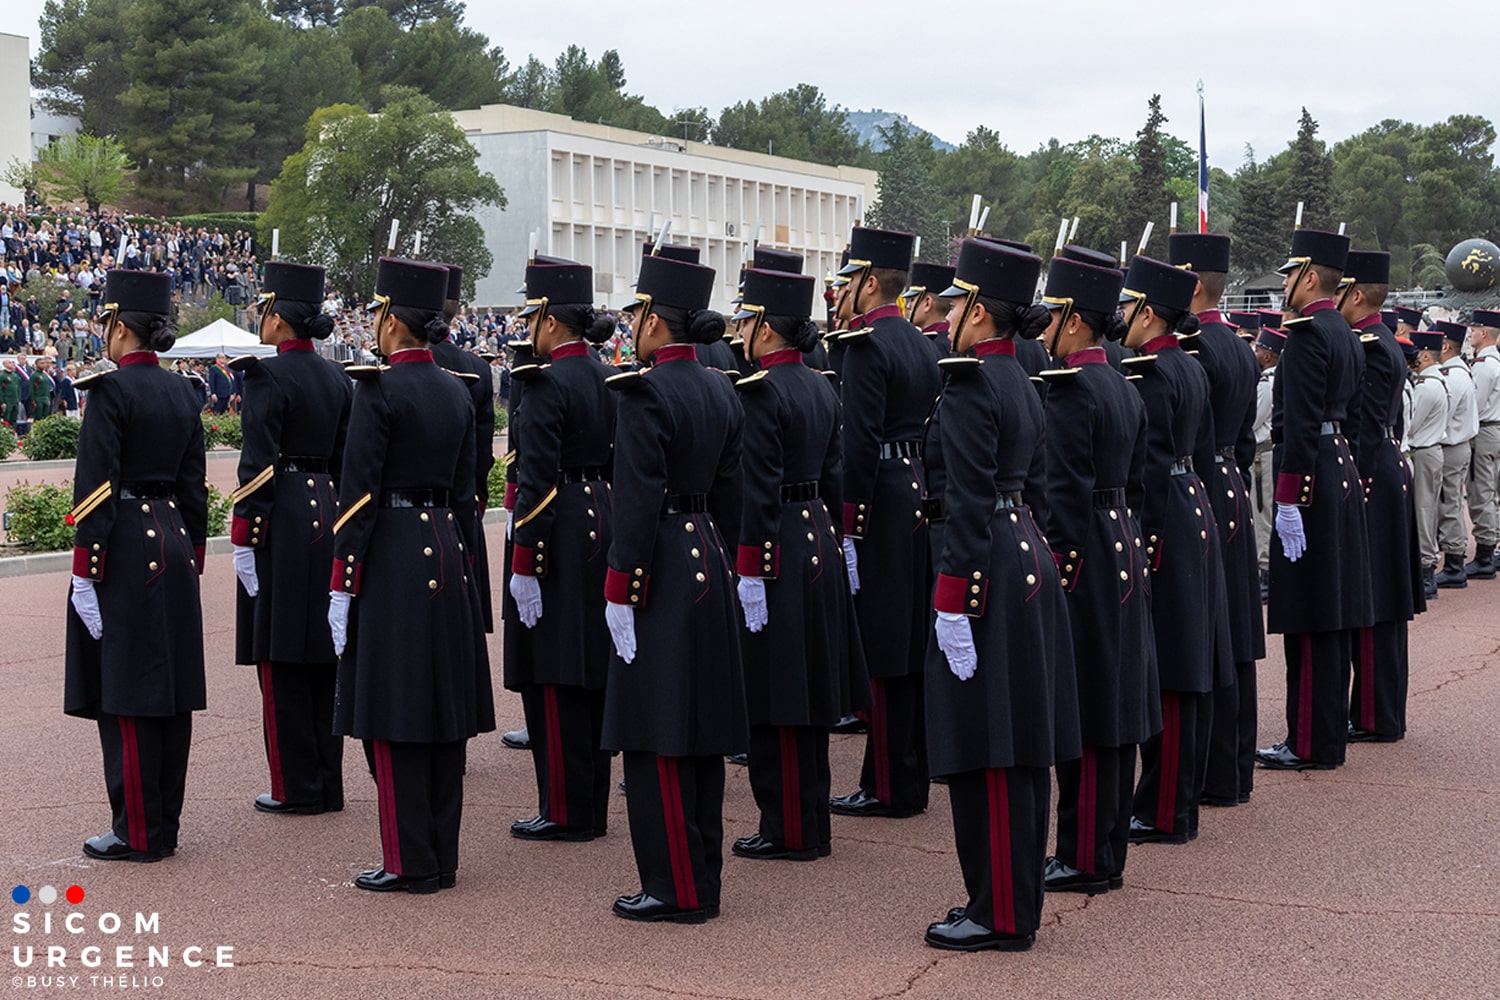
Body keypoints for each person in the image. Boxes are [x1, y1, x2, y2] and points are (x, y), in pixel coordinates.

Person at [921, 238, 1078, 952]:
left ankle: (998, 910)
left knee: (987, 744)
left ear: (980, 312)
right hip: (1027, 560)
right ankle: (1008, 901)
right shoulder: (1022, 376)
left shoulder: (970, 384)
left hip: (984, 565)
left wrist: (951, 600)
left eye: (954, 304)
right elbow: (1035, 488)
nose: (947, 315)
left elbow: (967, 502)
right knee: (1016, 746)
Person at [327, 257, 495, 894]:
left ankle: (408, 859)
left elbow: (359, 496)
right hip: (447, 550)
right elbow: (463, 494)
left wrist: (343, 579)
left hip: (394, 553)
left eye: (376, 313)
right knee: (441, 713)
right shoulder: (458, 388)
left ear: (392, 320)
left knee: (393, 712)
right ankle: (440, 856)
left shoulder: (376, 390)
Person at [602, 252, 746, 923]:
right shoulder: (722, 388)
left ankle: (674, 885)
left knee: (657, 730)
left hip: (659, 561)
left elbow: (634, 502)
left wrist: (619, 586)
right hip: (710, 554)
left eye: (636, 314)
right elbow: (735, 494)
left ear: (657, 322)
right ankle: (703, 878)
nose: (632, 325)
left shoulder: (645, 393)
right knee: (700, 731)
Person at [63, 269, 207, 862]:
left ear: (121, 327)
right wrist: (192, 550)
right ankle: (163, 823)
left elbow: (94, 489)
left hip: (123, 545)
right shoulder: (181, 391)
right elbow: (194, 484)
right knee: (168, 690)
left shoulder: (111, 392)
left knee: (124, 692)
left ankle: (138, 831)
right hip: (172, 538)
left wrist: (84, 569)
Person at [1036, 253, 1158, 896]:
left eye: (1054, 316)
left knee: (1083, 707)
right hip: (1123, 545)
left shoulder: (1070, 391)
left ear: (1076, 322)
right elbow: (1133, 484)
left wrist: (1059, 568)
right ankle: (1105, 848)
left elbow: (1062, 497)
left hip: (1083, 551)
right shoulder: (1122, 384)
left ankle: (1082, 854)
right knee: (1114, 704)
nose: (1044, 328)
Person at [729, 267, 851, 864]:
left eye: (745, 321)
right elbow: (834, 476)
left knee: (777, 690)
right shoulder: (822, 386)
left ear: (762, 327)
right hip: (818, 539)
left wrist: (749, 567)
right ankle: (811, 818)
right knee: (809, 688)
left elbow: (756, 489)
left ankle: (787, 827)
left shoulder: (761, 392)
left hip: (776, 543)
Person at [229, 261, 353, 815]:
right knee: (325, 651)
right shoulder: (338, 377)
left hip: (282, 514)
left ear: (279, 318)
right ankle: (328, 782)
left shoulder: (265, 376)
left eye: (264, 310)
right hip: (329, 508)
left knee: (279, 659)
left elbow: (257, 464)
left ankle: (295, 786)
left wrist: (245, 532)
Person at [504, 260, 618, 842]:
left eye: (532, 316)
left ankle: (567, 808)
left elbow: (538, 480)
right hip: (602, 515)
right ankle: (588, 800)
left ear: (549, 319)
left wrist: (525, 559)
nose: (529, 327)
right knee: (591, 668)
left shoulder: (545, 383)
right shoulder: (607, 375)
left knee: (553, 672)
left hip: (560, 528)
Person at [830, 226, 939, 820]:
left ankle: (892, 785)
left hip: (883, 501)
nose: (844, 291)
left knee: (887, 644)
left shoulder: (867, 345)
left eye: (850, 280)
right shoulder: (919, 342)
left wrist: (850, 524)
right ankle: (899, 770)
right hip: (914, 489)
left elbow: (861, 444)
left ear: (870, 283)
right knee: (907, 640)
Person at [1256, 230, 1372, 772]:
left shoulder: (1304, 334)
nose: (1282, 284)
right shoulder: (1344, 331)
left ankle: (1308, 740)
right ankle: (1324, 734)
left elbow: (1297, 427)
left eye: (1288, 274)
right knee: (1333, 610)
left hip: (1312, 478)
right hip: (1338, 465)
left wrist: (1287, 500)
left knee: (1311, 612)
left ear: (1307, 276)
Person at [1118, 254, 1223, 843]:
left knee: (1173, 672)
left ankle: (1164, 809)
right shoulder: (1186, 365)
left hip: (1168, 520)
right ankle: (1173, 802)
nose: (1121, 318)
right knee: (1187, 667)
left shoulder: (1154, 373)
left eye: (1129, 307)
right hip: (1195, 508)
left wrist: (1145, 542)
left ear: (1150, 314)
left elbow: (1151, 471)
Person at [1167, 232, 1262, 810]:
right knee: (1235, 635)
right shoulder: (1237, 345)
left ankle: (1210, 771)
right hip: (1230, 483)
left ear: (1193, 284)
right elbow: (1244, 439)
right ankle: (1233, 767)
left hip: (1200, 486)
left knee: (1208, 633)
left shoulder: (1197, 345)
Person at [1339, 251, 1421, 744]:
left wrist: (1358, 483)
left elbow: (1366, 428)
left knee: (1374, 599)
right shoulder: (1385, 339)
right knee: (1385, 599)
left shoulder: (1369, 345)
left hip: (1374, 474)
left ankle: (1373, 714)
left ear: (1360, 294)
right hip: (1392, 468)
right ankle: (1381, 709)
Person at [432, 264, 497, 633]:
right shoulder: (476, 367)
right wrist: (478, 493)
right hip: (463, 501)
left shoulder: (391, 369)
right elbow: (482, 448)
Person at [1432, 321, 1476, 589]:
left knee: (1449, 506)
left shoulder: (1453, 376)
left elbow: (1441, 417)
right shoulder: (1462, 372)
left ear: (1445, 346)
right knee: (1451, 504)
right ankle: (1454, 559)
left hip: (1452, 446)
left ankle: (1454, 564)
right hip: (1460, 445)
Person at [1406, 330, 1448, 599]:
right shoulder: (1437, 382)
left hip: (1423, 451)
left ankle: (1425, 572)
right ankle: (1427, 566)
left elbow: (1411, 425)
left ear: (1425, 354)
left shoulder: (1427, 386)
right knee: (1428, 510)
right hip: (1432, 451)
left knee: (1422, 512)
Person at [1250, 316, 1286, 601]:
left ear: (1268, 353)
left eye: (1259, 348)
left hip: (1263, 454)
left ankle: (1265, 570)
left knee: (1263, 514)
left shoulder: (1266, 383)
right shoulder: (1275, 378)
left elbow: (1253, 420)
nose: (1256, 353)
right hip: (1270, 451)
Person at [1464, 310, 1500, 579]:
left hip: (1486, 431)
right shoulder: (1494, 361)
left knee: (1481, 493)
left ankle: (1485, 554)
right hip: (1494, 430)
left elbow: (1474, 407)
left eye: (1474, 330)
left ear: (1484, 333)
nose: (1471, 334)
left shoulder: (1485, 365)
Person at [901, 261, 957, 357]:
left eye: (912, 300)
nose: (908, 306)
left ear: (927, 303)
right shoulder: (953, 343)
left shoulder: (928, 345)